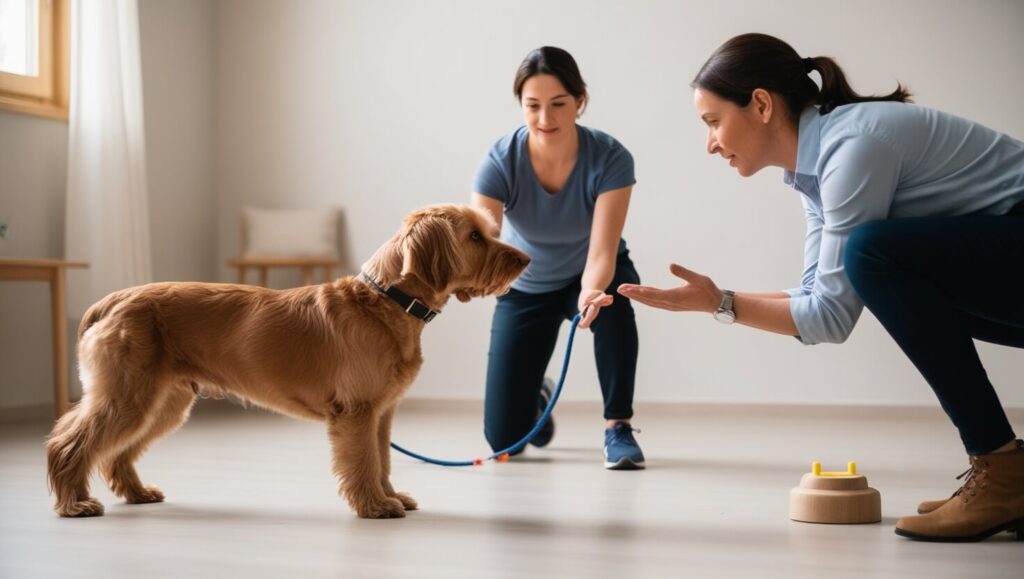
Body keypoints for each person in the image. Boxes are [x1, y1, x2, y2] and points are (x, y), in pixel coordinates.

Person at [618, 33, 1024, 540]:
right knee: (873, 258)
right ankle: (1007, 475)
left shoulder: (852, 149)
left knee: (870, 252)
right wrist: (714, 302)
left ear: (761, 104)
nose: (711, 144)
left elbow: (829, 318)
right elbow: (819, 302)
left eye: (713, 122)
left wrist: (722, 305)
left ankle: (1001, 467)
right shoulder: (815, 168)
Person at [471, 46, 645, 470]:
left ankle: (617, 427)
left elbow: (604, 248)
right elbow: (480, 244)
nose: (545, 119)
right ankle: (538, 398)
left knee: (615, 303)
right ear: (521, 105)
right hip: (526, 285)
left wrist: (591, 293)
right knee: (504, 442)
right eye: (533, 106)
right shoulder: (500, 161)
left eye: (558, 104)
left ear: (580, 100)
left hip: (590, 273)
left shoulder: (610, 158)